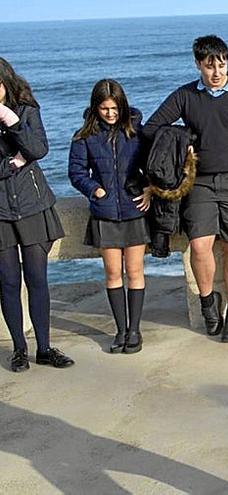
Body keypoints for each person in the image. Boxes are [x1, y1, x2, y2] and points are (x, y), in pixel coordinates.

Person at [144, 34, 228, 343]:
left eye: (221, 64)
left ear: (227, 62)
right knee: (200, 246)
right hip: (199, 183)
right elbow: (151, 129)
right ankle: (207, 304)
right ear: (198, 64)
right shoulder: (185, 96)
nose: (216, 72)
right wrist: (182, 142)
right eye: (209, 66)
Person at [0, 57, 73, 372]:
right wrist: (11, 164)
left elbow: (39, 149)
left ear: (6, 82)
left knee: (37, 279)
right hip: (1, 212)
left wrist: (11, 121)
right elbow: (22, 158)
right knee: (7, 282)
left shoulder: (26, 109)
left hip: (32, 205)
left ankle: (44, 348)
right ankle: (19, 349)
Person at [69, 79, 151, 354]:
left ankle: (135, 331)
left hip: (134, 209)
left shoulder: (136, 130)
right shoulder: (84, 137)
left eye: (114, 108)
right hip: (104, 213)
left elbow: (154, 163)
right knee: (113, 273)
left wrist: (150, 189)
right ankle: (120, 330)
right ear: (96, 108)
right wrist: (95, 190)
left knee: (135, 271)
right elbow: (76, 172)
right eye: (104, 108)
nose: (110, 113)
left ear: (122, 105)